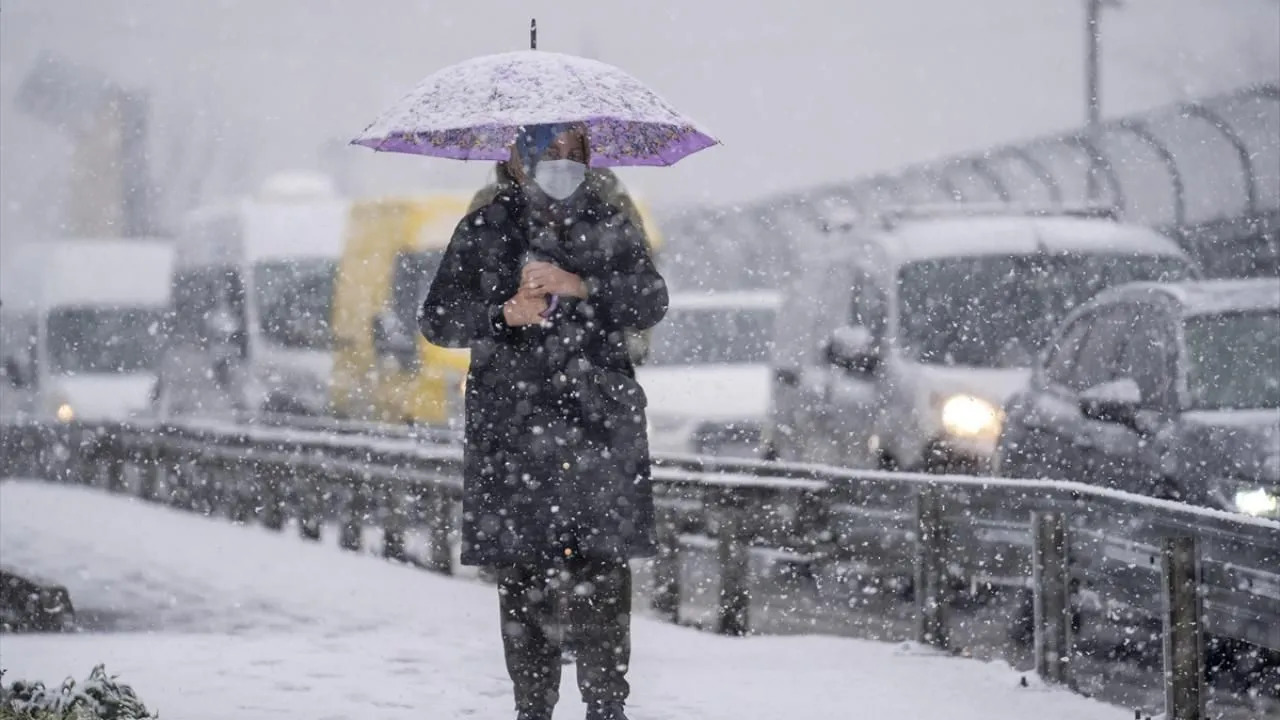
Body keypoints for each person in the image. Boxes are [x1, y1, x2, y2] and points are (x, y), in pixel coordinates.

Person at [419, 123, 667, 720]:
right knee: (524, 580)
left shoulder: (611, 221)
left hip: (598, 426)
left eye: (571, 153)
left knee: (602, 575)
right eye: (546, 152)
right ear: (515, 157)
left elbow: (649, 300)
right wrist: (505, 312)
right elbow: (438, 320)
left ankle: (607, 706)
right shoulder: (484, 229)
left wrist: (580, 284)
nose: (560, 163)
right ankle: (532, 707)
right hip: (514, 430)